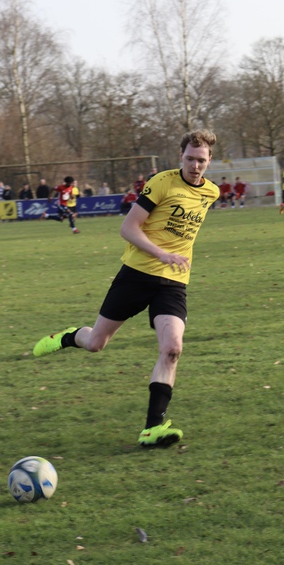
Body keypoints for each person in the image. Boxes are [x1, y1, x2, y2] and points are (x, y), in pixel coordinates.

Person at [33, 130, 219, 447]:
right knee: (96, 343)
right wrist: (161, 253)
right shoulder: (162, 183)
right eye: (190, 158)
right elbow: (128, 228)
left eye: (201, 160)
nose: (195, 165)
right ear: (181, 156)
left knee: (172, 348)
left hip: (173, 283)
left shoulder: (211, 192)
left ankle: (152, 429)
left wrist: (172, 258)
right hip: (136, 275)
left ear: (209, 160)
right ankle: (68, 337)